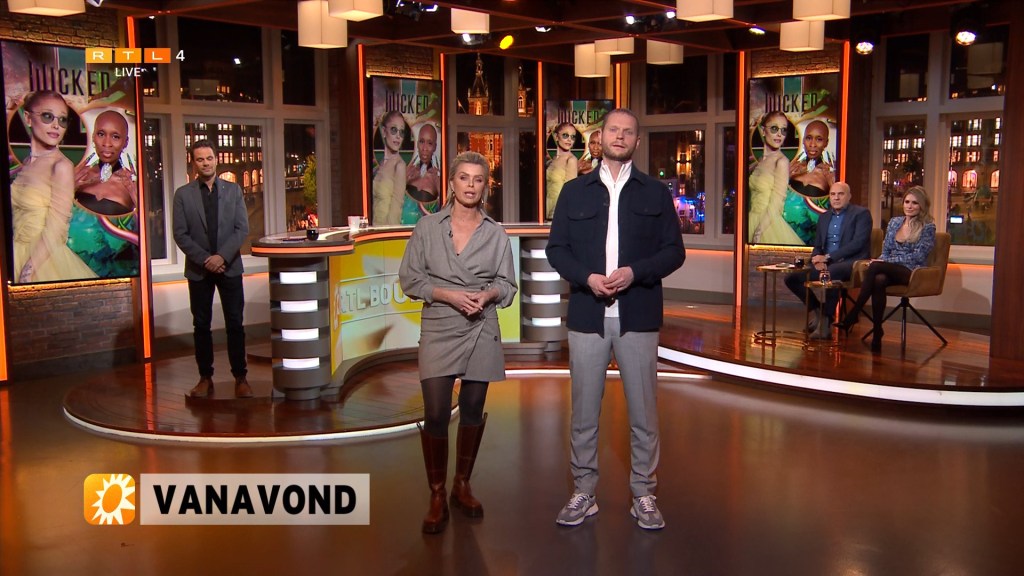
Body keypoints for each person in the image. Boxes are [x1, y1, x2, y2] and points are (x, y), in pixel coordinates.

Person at [546, 108, 685, 531]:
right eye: (613, 130)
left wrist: (635, 272)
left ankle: (644, 493)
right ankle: (583, 491)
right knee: (584, 414)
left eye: (628, 132)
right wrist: (587, 278)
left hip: (637, 316)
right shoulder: (574, 191)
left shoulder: (655, 193)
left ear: (637, 141)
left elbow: (674, 252)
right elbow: (557, 250)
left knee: (644, 414)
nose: (619, 137)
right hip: (587, 316)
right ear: (600, 136)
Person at [398, 151, 518, 534]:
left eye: (478, 179)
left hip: (481, 325)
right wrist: (448, 295)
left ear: (485, 186)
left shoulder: (495, 233)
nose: (470, 185)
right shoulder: (427, 228)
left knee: (472, 408)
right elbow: (410, 279)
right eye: (463, 178)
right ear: (451, 183)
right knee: (436, 411)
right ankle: (436, 493)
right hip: (439, 323)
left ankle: (461, 484)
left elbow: (508, 285)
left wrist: (488, 295)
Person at [172, 140, 251, 398]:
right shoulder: (183, 195)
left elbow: (241, 228)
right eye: (200, 159)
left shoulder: (233, 190)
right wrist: (207, 259)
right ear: (193, 163)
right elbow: (180, 234)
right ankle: (205, 377)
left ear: (216, 159)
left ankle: (241, 377)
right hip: (199, 270)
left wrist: (221, 257)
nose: (205, 163)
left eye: (209, 158)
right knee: (201, 325)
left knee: (235, 323)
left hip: (229, 267)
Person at [11, 90, 98, 283]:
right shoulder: (27, 162)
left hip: (42, 261)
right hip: (15, 252)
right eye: (47, 116)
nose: (56, 126)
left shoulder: (61, 166)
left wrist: (29, 270)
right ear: (28, 118)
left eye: (62, 120)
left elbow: (57, 226)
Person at [837, 186, 936, 353]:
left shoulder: (928, 227)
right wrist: (883, 260)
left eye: (915, 203)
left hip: (911, 271)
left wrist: (883, 261)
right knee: (879, 280)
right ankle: (877, 331)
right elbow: (886, 251)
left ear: (922, 206)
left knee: (875, 266)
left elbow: (917, 257)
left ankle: (854, 313)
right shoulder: (895, 222)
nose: (909, 206)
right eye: (907, 202)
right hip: (890, 268)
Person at [784, 182, 872, 338]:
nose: (836, 198)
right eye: (833, 194)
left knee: (831, 272)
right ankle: (819, 311)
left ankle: (826, 322)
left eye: (840, 194)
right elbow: (818, 246)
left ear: (849, 196)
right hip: (826, 262)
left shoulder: (861, 214)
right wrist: (817, 259)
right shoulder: (824, 217)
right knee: (792, 277)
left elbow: (858, 244)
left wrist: (828, 258)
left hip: (851, 263)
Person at [748, 111, 803, 245]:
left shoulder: (781, 162)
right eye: (774, 128)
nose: (779, 134)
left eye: (783, 130)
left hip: (767, 225)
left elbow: (777, 201)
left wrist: (759, 231)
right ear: (763, 131)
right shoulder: (759, 161)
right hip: (751, 219)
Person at [74, 109, 137, 216]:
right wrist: (69, 190)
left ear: (125, 142)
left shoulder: (131, 184)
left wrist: (137, 200)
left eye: (115, 137)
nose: (107, 143)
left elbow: (147, 221)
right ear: (93, 137)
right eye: (101, 134)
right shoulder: (79, 176)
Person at [372, 110, 409, 226]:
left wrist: (387, 233)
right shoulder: (381, 164)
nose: (398, 136)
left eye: (401, 132)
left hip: (386, 231)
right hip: (374, 229)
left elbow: (396, 209)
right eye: (394, 130)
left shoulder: (399, 166)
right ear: (384, 131)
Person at [403, 122, 441, 225]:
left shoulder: (437, 177)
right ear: (417, 144)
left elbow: (447, 209)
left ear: (434, 147)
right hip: (403, 228)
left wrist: (438, 185)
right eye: (421, 142)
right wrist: (404, 180)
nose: (424, 148)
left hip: (427, 229)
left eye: (429, 143)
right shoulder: (409, 171)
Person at [789, 119, 836, 198]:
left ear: (826, 143)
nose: (812, 144)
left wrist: (833, 185)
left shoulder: (829, 174)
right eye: (809, 138)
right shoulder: (793, 168)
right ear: (803, 140)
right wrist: (786, 177)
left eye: (819, 139)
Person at [545, 121, 579, 220]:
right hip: (546, 207)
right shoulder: (553, 159)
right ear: (556, 137)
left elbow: (571, 192)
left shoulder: (571, 160)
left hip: (559, 210)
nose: (569, 140)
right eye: (565, 135)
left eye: (573, 137)